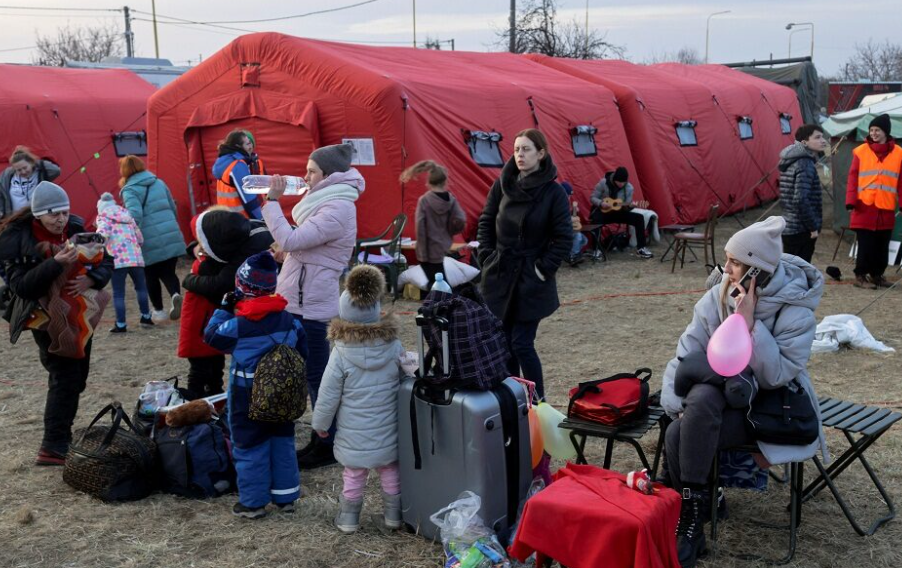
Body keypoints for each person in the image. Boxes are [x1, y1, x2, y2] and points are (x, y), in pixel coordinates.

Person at [660, 216, 826, 568]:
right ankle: (694, 514)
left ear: (757, 271)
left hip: (767, 408)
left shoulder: (796, 309)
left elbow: (778, 375)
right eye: (728, 259)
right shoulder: (717, 294)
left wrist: (751, 326)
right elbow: (687, 351)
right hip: (718, 401)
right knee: (691, 411)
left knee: (678, 435)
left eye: (735, 262)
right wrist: (676, 406)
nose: (726, 269)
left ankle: (691, 520)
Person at [263, 143, 364, 469]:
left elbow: (294, 239)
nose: (305, 177)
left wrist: (272, 202)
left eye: (311, 171)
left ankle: (326, 442)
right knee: (307, 374)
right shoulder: (328, 200)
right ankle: (322, 438)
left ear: (329, 175)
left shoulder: (338, 207)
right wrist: (288, 254)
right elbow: (302, 245)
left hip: (311, 307)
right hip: (299, 299)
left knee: (319, 378)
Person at [0, 181, 113, 466]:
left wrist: (92, 278)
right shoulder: (15, 239)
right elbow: (22, 287)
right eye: (53, 214)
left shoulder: (75, 228)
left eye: (63, 212)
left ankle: (60, 437)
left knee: (77, 376)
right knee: (64, 375)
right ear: (38, 214)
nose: (60, 219)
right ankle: (53, 445)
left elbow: (106, 260)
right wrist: (56, 263)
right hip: (43, 315)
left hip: (80, 313)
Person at [204, 251, 307, 519]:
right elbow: (303, 352)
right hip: (284, 392)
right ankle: (286, 496)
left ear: (242, 288)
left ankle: (253, 502)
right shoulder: (291, 321)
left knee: (249, 445)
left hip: (246, 394)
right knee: (282, 442)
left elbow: (212, 337)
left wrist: (224, 308)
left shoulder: (238, 325)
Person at [476, 128, 572, 399]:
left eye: (526, 149)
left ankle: (536, 401)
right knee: (503, 343)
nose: (520, 155)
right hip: (500, 274)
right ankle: (511, 399)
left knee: (521, 343)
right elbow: (486, 220)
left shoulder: (553, 193)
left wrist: (542, 269)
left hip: (531, 278)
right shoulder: (503, 183)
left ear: (541, 154)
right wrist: (486, 256)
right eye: (517, 149)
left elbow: (564, 237)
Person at [312, 265, 405, 533]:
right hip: (387, 428)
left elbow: (328, 393)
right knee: (390, 471)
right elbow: (404, 380)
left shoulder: (340, 352)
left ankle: (348, 519)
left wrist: (321, 423)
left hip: (354, 433)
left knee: (353, 474)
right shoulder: (395, 345)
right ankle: (393, 516)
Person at [179, 207, 274, 399]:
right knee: (201, 372)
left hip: (209, 321)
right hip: (203, 322)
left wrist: (188, 280)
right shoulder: (237, 234)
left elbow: (219, 285)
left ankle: (210, 401)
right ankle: (202, 404)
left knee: (212, 370)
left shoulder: (221, 259)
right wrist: (195, 248)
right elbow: (199, 224)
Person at [119, 155, 186, 320]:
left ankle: (159, 311)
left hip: (147, 239)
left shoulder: (129, 190)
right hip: (170, 232)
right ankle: (175, 294)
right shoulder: (159, 182)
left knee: (150, 275)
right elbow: (172, 206)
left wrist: (126, 232)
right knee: (169, 272)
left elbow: (135, 215)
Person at [845, 113, 901, 289]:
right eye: (872, 130)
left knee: (882, 244)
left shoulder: (899, 154)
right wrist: (850, 200)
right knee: (866, 243)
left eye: (877, 130)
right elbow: (852, 178)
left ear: (886, 132)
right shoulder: (861, 152)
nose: (874, 133)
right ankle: (860, 275)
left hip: (886, 207)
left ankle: (877, 275)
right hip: (864, 206)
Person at [400, 160, 467, 289]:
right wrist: (450, 231)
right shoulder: (451, 199)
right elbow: (461, 219)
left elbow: (420, 228)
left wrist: (422, 253)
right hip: (442, 246)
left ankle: (445, 303)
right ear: (445, 181)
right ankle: (443, 301)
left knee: (437, 283)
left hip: (427, 249)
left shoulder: (424, 201)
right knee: (438, 281)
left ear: (429, 182)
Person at [95, 192, 152, 332]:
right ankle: (146, 316)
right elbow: (140, 239)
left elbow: (101, 238)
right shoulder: (128, 217)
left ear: (101, 208)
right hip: (136, 259)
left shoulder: (104, 218)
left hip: (117, 261)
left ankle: (121, 324)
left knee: (119, 293)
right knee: (141, 288)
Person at [778, 124, 827, 263]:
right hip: (801, 229)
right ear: (804, 142)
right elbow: (800, 199)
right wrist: (812, 227)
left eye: (822, 137)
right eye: (817, 137)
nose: (823, 141)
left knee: (790, 270)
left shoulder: (791, 159)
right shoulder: (804, 163)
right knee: (799, 273)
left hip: (789, 226)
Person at [590, 167, 653, 259]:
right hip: (604, 212)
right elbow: (593, 198)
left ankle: (641, 248)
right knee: (595, 219)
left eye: (624, 182)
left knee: (639, 218)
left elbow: (627, 206)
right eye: (619, 182)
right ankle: (596, 250)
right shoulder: (603, 183)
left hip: (618, 212)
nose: (621, 184)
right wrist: (601, 203)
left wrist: (629, 206)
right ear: (614, 179)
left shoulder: (629, 188)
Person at [213, 130, 264, 220]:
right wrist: (262, 220)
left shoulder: (224, 161)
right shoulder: (238, 166)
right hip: (243, 222)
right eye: (247, 144)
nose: (250, 147)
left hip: (227, 218)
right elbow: (249, 200)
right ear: (238, 146)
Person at [0, 146, 61, 220]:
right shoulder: (6, 175)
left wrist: (36, 161)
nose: (23, 172)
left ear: (31, 163)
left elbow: (56, 170)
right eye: (19, 170)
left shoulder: (39, 172)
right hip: (14, 219)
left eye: (25, 168)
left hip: (35, 216)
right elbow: (1, 194)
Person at [562, 181, 588, 265]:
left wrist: (574, 211)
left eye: (569, 196)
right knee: (578, 235)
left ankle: (569, 254)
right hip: (556, 229)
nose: (569, 197)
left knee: (584, 240)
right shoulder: (556, 202)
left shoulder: (566, 203)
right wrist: (570, 219)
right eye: (568, 195)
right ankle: (573, 256)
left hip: (566, 227)